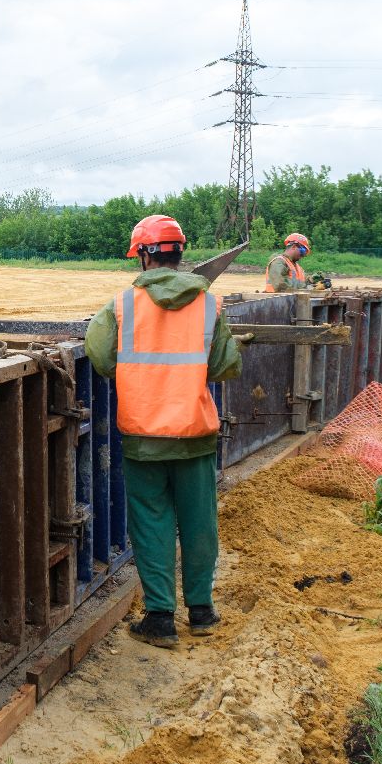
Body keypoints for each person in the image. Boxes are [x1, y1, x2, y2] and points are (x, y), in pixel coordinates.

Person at [84, 214, 242, 648]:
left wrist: (135, 376)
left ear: (144, 257)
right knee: (198, 523)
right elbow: (225, 366)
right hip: (195, 433)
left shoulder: (122, 305)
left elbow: (98, 354)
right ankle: (203, 612)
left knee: (152, 524)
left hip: (144, 434)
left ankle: (159, 619)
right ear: (178, 255)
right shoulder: (209, 304)